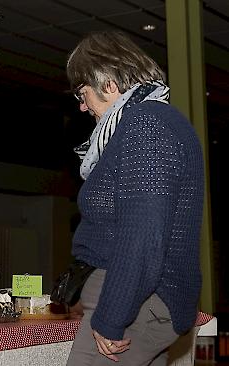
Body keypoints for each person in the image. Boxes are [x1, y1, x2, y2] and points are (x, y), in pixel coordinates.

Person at [65, 31, 204, 365]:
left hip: (135, 299)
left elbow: (143, 234)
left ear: (109, 85)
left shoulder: (146, 123)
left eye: (83, 94)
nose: (83, 107)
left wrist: (113, 315)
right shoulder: (152, 121)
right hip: (141, 297)